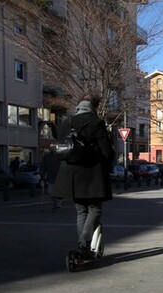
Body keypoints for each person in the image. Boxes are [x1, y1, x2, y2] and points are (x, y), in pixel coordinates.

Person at [53, 93, 115, 261]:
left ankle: (83, 247)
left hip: (71, 174)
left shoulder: (68, 122)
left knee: (81, 211)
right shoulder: (96, 123)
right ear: (94, 106)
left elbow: (62, 146)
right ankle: (83, 244)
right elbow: (107, 151)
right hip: (92, 174)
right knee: (95, 209)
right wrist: (109, 167)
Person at [40, 145, 63, 210]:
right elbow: (43, 166)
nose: (52, 149)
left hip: (59, 177)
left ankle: (58, 204)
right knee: (51, 192)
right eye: (51, 148)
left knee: (59, 192)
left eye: (53, 148)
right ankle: (55, 203)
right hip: (50, 177)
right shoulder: (46, 156)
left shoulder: (60, 155)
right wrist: (42, 175)